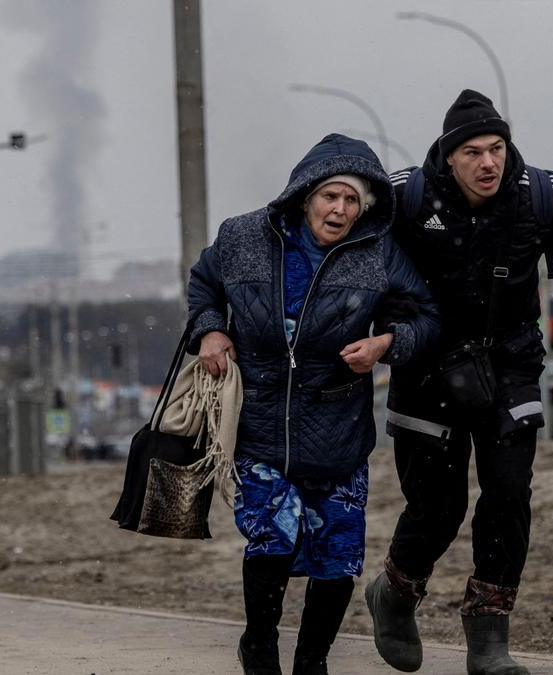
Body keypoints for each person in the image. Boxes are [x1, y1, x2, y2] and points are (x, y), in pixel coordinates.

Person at [365, 90, 553, 675]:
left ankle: (488, 637)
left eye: (497, 148)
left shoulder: (542, 194)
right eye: (473, 152)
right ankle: (394, 594)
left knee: (509, 495)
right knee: (439, 507)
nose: (488, 163)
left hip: (509, 364)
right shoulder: (402, 194)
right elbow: (332, 235)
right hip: (425, 365)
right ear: (448, 156)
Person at [185, 133, 439, 675]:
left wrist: (385, 344)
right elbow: (204, 285)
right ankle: (258, 646)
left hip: (338, 430)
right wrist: (209, 331)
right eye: (330, 197)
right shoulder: (244, 235)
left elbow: (424, 316)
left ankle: (312, 661)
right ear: (306, 196)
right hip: (259, 424)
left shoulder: (378, 254)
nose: (340, 210)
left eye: (352, 201)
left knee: (336, 558)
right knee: (272, 538)